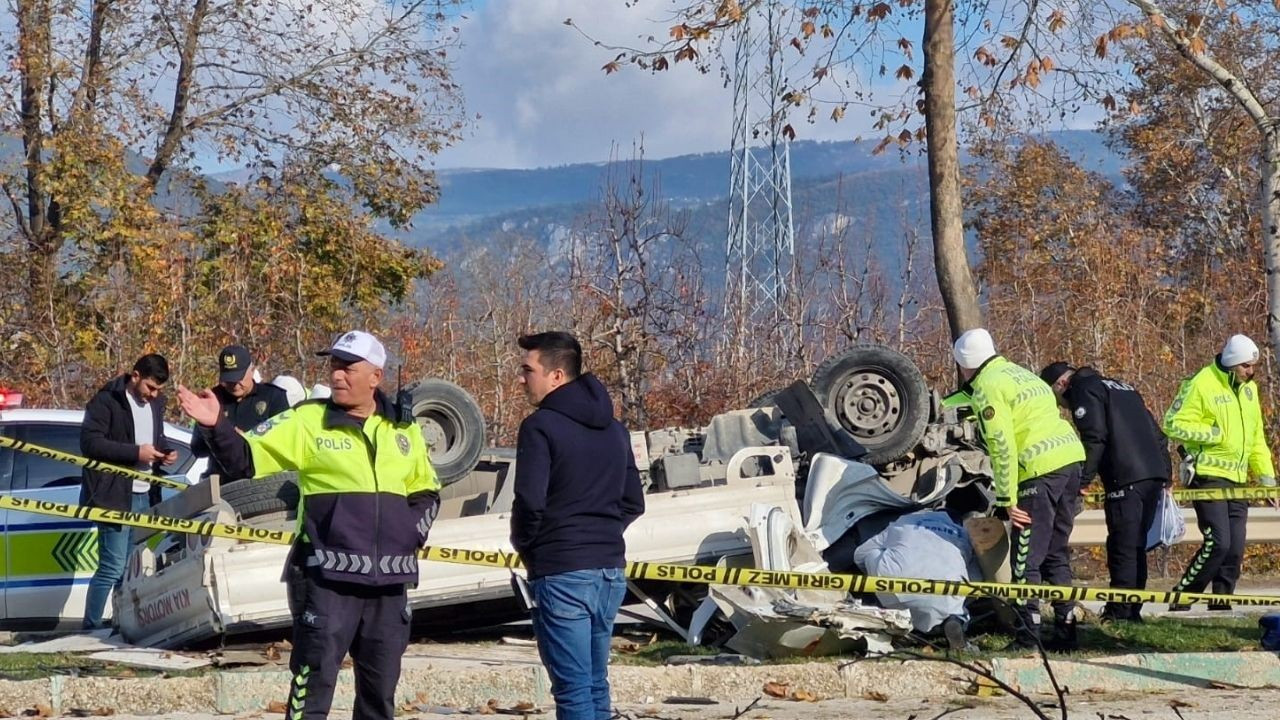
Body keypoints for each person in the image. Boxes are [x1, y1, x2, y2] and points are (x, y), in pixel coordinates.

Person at [178, 330, 441, 720]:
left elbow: (428, 492)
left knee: (380, 697)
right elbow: (245, 460)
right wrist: (216, 424)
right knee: (311, 691)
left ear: (376, 376)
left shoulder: (404, 430)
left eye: (348, 367)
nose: (337, 375)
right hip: (325, 579)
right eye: (334, 366)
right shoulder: (308, 420)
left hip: (390, 584)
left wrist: (407, 535)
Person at [511, 331, 645, 720]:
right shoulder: (616, 430)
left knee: (572, 691)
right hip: (609, 572)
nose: (522, 379)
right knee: (594, 682)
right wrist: (600, 535)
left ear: (556, 376)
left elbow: (530, 503)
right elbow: (634, 501)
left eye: (528, 370)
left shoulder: (540, 427)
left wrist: (531, 547)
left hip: (562, 569)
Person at [952, 329, 1085, 649]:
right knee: (1055, 551)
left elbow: (1002, 446)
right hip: (1070, 462)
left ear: (965, 364)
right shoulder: (1021, 374)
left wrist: (1008, 499)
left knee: (1026, 559)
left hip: (1038, 472)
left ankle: (1028, 637)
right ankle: (1067, 632)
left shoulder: (987, 387)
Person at [1040, 362, 1171, 623]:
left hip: (1125, 476)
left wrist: (1083, 478)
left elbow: (1095, 437)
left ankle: (1120, 612)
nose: (1063, 407)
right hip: (1152, 473)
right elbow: (1158, 435)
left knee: (1123, 546)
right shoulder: (1123, 386)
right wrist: (1166, 473)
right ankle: (1132, 610)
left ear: (1060, 385)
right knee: (1136, 545)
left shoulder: (1083, 389)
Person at [1163, 334, 1276, 611]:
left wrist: (1267, 480)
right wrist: (1212, 434)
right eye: (1246, 366)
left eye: (1253, 367)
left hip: (1238, 479)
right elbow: (1171, 423)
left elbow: (1256, 437)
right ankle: (1183, 597)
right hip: (1207, 475)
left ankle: (1221, 605)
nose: (1251, 373)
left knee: (1235, 548)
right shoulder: (1201, 383)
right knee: (1219, 543)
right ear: (1232, 363)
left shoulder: (1249, 390)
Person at [79, 353, 178, 630]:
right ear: (135, 376)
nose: (153, 394)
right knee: (112, 567)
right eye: (150, 387)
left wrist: (164, 452)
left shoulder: (156, 403)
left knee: (131, 569)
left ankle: (120, 624)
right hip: (113, 496)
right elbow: (90, 444)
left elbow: (155, 438)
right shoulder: (106, 401)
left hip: (146, 494)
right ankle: (91, 627)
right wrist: (136, 453)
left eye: (159, 389)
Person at [190, 345, 290, 481]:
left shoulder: (273, 397)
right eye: (229, 380)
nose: (235, 385)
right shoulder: (213, 399)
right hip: (222, 483)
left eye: (239, 378)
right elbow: (198, 450)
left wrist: (250, 441)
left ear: (252, 370)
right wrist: (219, 435)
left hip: (262, 482)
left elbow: (286, 444)